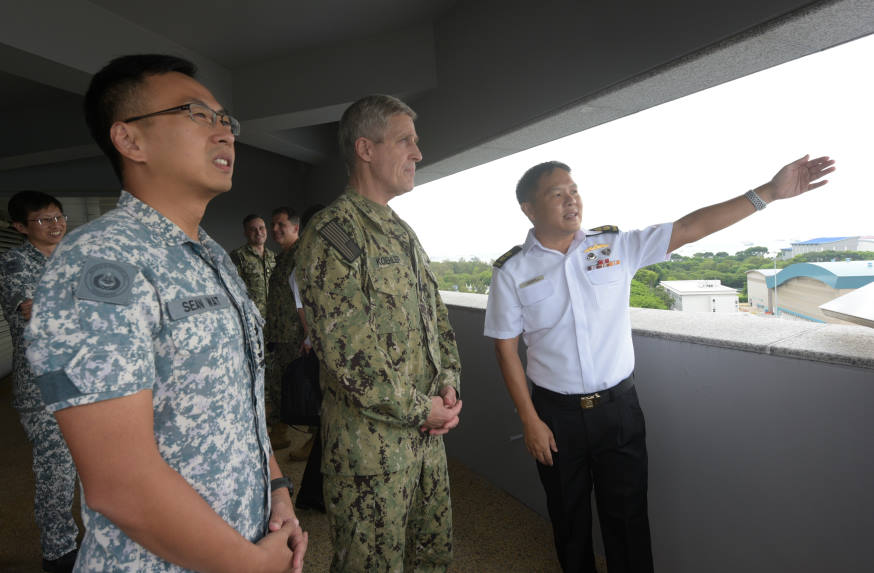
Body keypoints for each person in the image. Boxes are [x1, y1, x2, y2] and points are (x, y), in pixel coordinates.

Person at [24, 54, 307, 572]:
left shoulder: (211, 256)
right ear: (131, 140)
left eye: (227, 121)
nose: (225, 133)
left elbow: (240, 403)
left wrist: (278, 490)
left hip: (245, 536)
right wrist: (248, 566)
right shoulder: (99, 262)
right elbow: (120, 483)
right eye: (199, 114)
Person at [484, 156, 835, 573]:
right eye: (556, 194)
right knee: (569, 520)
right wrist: (529, 420)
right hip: (555, 418)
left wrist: (769, 193)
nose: (571, 200)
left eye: (574, 190)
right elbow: (506, 350)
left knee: (628, 519)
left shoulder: (614, 247)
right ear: (529, 208)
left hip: (619, 411)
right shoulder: (512, 271)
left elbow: (688, 228)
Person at [294, 94, 463, 572]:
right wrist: (422, 409)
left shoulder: (402, 232)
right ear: (365, 149)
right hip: (372, 455)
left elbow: (437, 320)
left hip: (425, 441)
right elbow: (349, 357)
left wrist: (449, 384)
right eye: (405, 141)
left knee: (430, 557)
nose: (418, 153)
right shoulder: (334, 233)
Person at [0, 191, 78, 572]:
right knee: (56, 471)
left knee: (95, 466)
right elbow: (31, 311)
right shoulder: (13, 261)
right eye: (44, 219)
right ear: (19, 227)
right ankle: (58, 552)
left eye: (59, 216)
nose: (56, 224)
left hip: (87, 379)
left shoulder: (74, 257)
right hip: (43, 386)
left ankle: (94, 541)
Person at [264, 206, 303, 452]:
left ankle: (313, 438)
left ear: (296, 228)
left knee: (301, 385)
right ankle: (279, 431)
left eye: (282, 225)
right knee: (279, 382)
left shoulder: (301, 256)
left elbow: (305, 300)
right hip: (280, 334)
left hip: (296, 335)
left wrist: (308, 337)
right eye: (274, 225)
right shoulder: (282, 257)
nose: (275, 230)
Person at [230, 213, 276, 317]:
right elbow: (234, 289)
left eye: (261, 228)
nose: (258, 232)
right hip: (252, 317)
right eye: (252, 229)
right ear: (245, 233)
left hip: (274, 318)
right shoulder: (238, 256)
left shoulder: (273, 256)